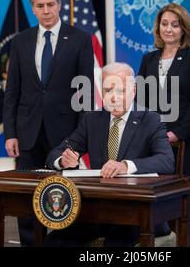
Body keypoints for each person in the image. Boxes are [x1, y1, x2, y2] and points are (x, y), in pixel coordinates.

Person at [3, 0, 94, 246]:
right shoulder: (20, 42)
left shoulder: (80, 39)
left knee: (65, 196)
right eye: (40, 6)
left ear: (59, 4)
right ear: (33, 8)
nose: (46, 10)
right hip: (27, 133)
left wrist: (81, 137)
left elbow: (85, 92)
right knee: (27, 196)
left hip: (65, 134)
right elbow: (12, 92)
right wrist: (11, 133)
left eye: (50, 4)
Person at [44, 62, 175, 247]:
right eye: (108, 90)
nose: (114, 97)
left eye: (120, 90)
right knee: (55, 242)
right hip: (98, 213)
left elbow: (167, 161)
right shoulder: (92, 119)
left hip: (138, 213)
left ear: (133, 90)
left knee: (115, 245)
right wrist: (63, 160)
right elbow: (56, 153)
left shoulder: (150, 120)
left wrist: (125, 166)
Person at [137, 3, 190, 246]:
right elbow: (141, 102)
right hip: (155, 146)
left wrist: (177, 134)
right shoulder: (148, 59)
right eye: (164, 24)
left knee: (188, 208)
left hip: (188, 144)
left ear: (184, 29)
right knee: (157, 206)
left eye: (174, 25)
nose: (168, 29)